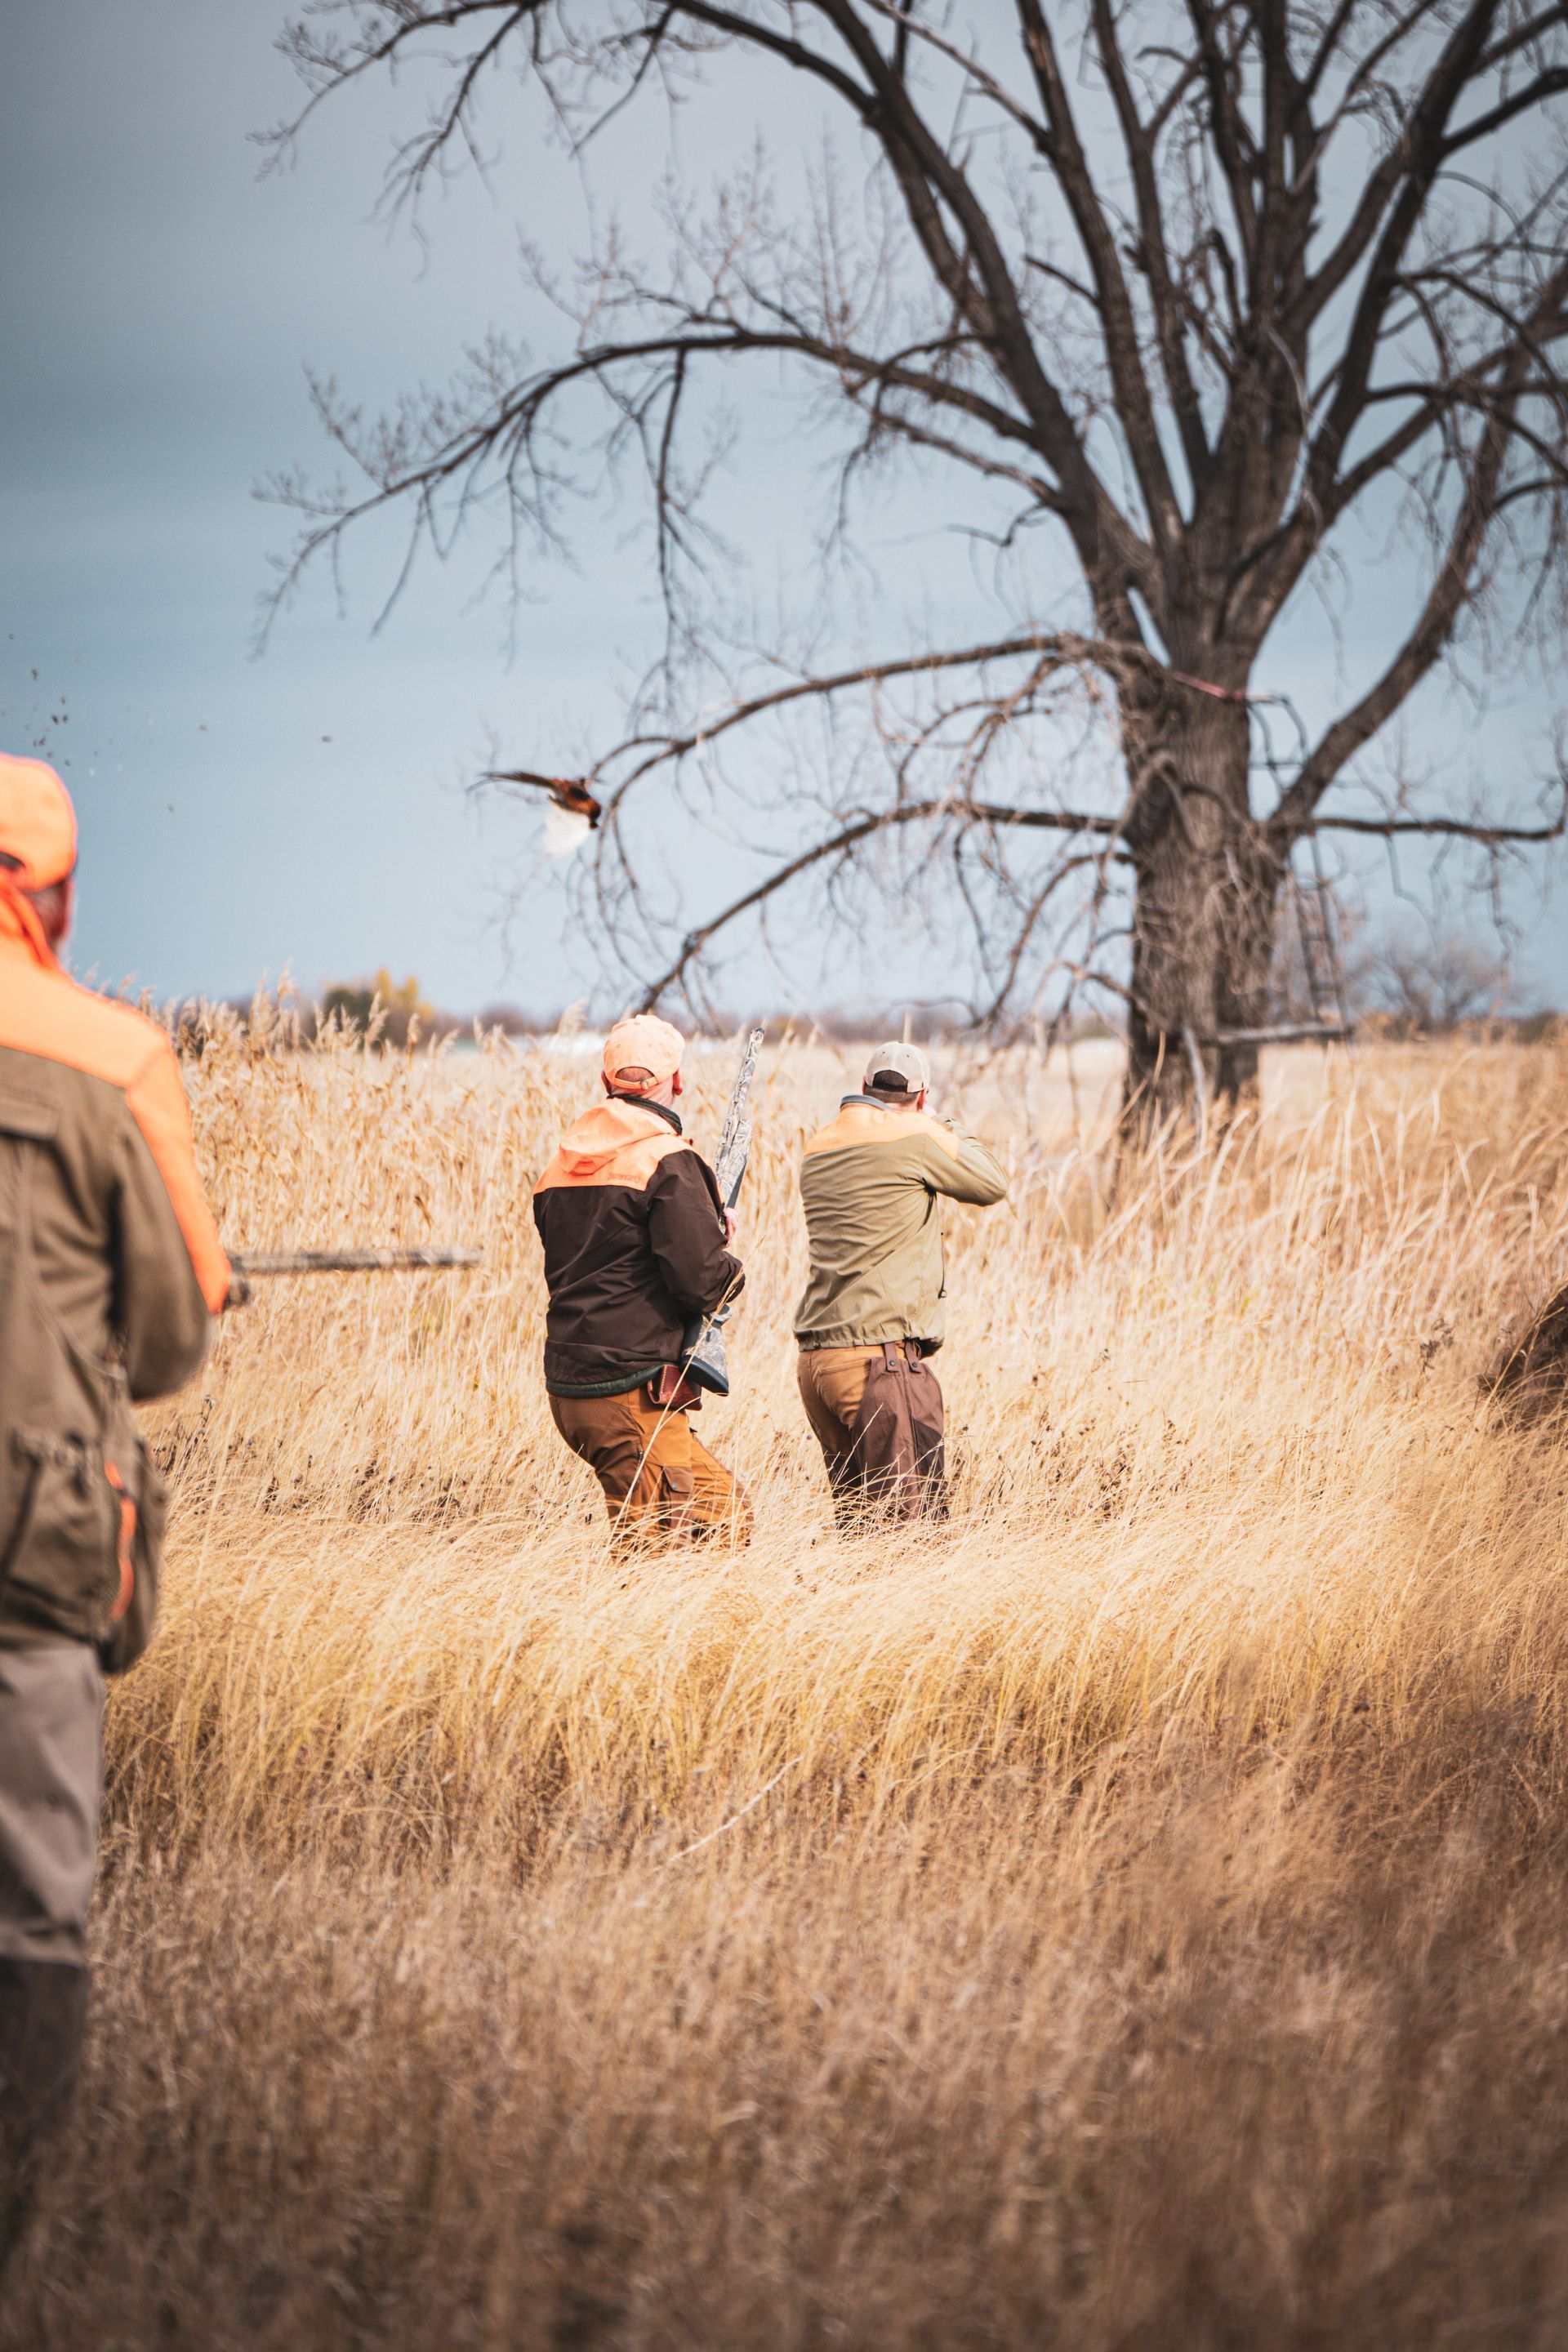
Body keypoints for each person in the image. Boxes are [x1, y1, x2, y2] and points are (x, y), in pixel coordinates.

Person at [0, 755, 229, 2252]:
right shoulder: (106, 1059)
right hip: (30, 1538)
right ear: (58, 893)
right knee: (31, 1903)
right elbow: (173, 1335)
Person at [532, 1013, 751, 1546]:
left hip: (573, 1389)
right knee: (658, 1550)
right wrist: (725, 1251)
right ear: (676, 1082)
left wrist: (701, 1220)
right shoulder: (668, 1161)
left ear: (606, 1082)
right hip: (631, 1388)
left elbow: (608, 1259)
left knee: (723, 1514)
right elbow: (703, 1282)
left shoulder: (561, 1167)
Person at [795, 1041, 1007, 1521]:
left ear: (864, 1087)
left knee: (861, 1534)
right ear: (920, 1096)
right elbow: (992, 1182)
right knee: (911, 1538)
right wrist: (935, 1122)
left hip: (818, 1363)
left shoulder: (820, 1144)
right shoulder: (916, 1137)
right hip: (878, 1365)